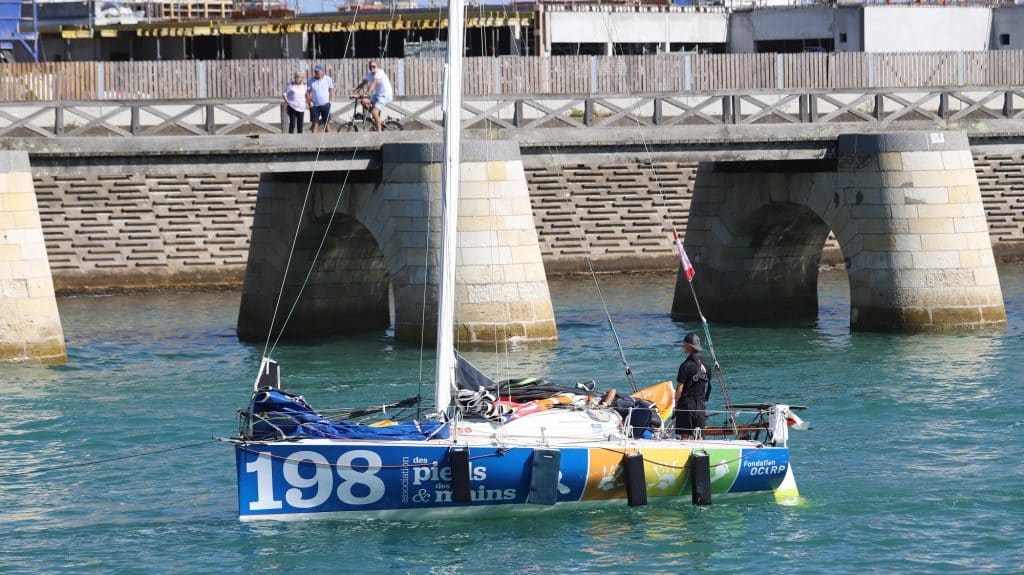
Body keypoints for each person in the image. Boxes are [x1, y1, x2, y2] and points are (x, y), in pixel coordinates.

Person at [674, 332, 712, 439]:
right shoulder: (707, 366)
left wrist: (676, 404)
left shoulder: (685, 365)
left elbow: (679, 389)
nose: (683, 345)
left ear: (689, 346)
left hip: (686, 405)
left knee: (685, 438)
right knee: (700, 437)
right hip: (700, 406)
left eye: (684, 343)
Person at [351, 60, 393, 132]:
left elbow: (373, 83)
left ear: (377, 67)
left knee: (374, 112)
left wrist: (367, 93)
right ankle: (377, 118)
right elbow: (362, 84)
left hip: (385, 95)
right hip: (377, 94)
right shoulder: (370, 74)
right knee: (363, 101)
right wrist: (354, 92)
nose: (372, 68)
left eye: (374, 66)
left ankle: (379, 131)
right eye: (370, 67)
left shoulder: (380, 72)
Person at [306, 64, 334, 134]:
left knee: (326, 123)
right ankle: (314, 142)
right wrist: (309, 102)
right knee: (315, 124)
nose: (316, 73)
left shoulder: (328, 79)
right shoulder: (311, 80)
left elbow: (331, 90)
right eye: (315, 71)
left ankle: (329, 141)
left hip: (325, 104)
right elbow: (308, 92)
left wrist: (330, 101)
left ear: (322, 72)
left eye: (318, 72)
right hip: (315, 105)